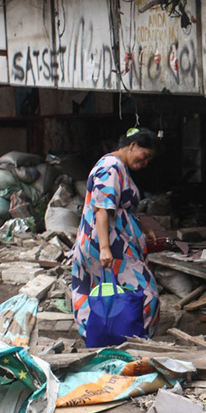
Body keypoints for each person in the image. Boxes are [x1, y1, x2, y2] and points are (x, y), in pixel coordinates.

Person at [71, 127, 161, 338]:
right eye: (144, 155)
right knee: (146, 294)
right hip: (110, 246)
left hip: (104, 243)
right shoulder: (111, 168)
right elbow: (102, 210)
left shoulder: (116, 167)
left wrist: (142, 226)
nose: (145, 162)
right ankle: (135, 339)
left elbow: (119, 208)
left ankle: (104, 340)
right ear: (132, 145)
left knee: (99, 295)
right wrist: (105, 249)